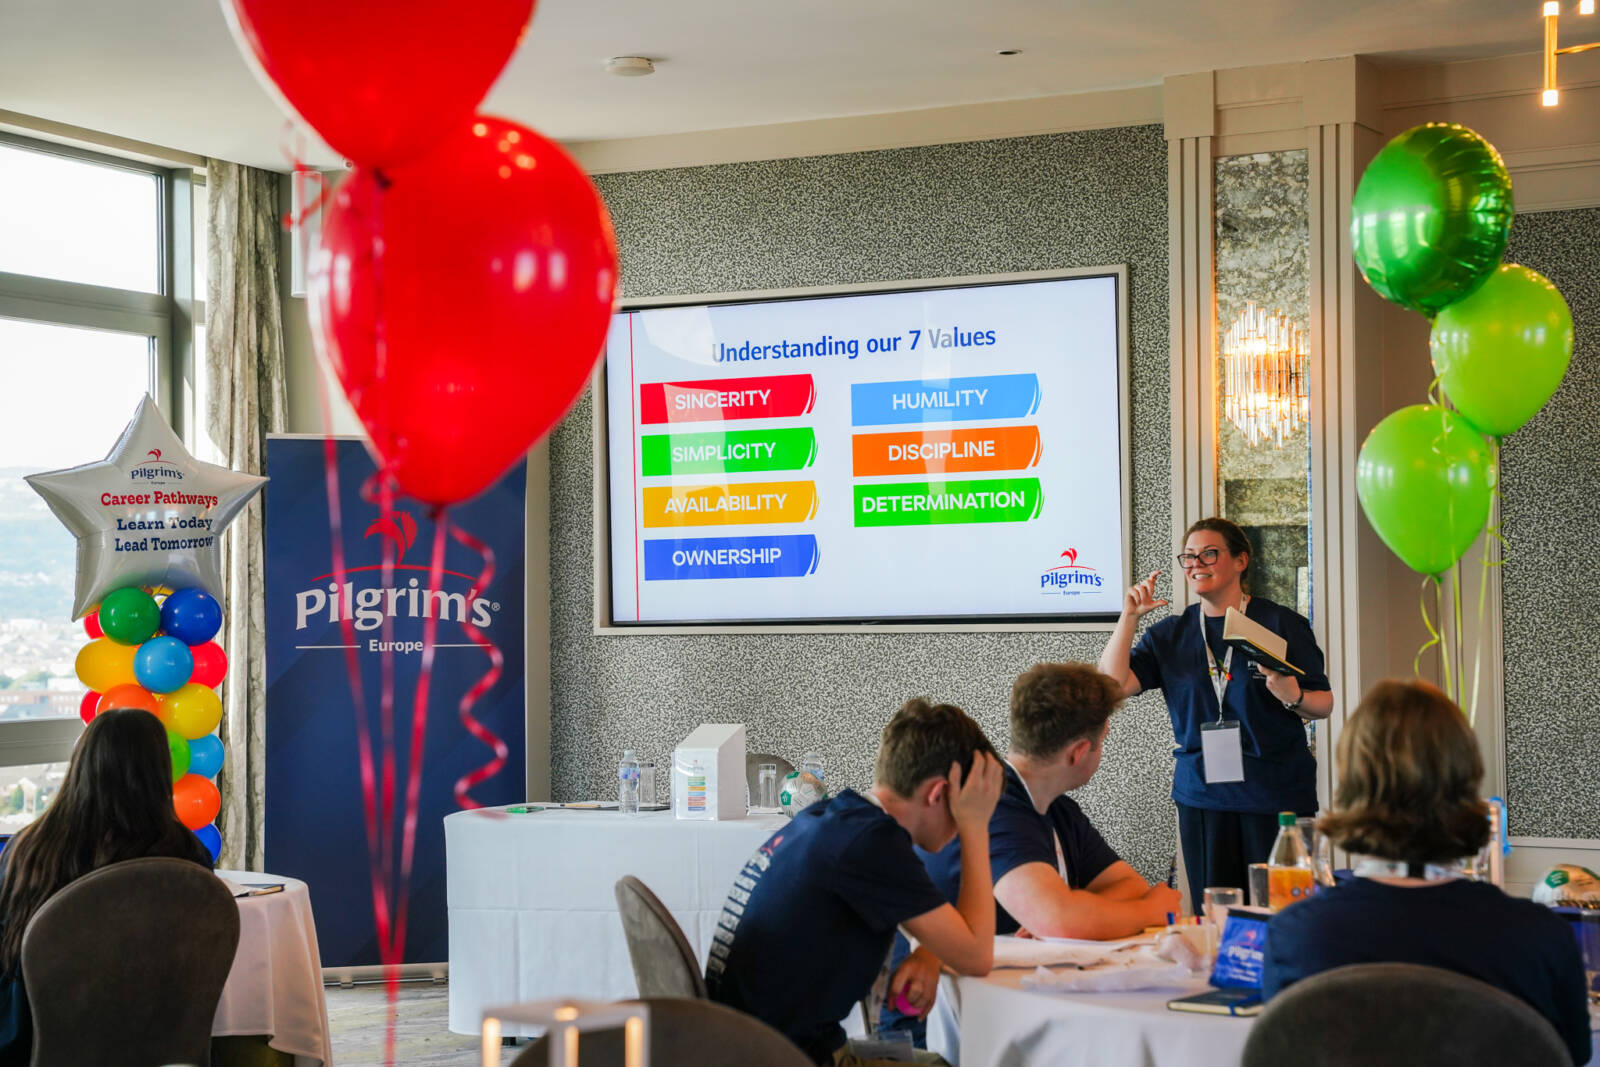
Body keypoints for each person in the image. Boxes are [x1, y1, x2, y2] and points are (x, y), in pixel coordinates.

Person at [1263, 680, 1590, 1066]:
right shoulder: (1540, 937)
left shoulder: (1296, 935)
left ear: (1350, 786)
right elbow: (1571, 1056)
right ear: (1466, 781)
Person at [705, 699, 1003, 1066]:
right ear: (938, 794)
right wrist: (976, 827)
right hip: (784, 1057)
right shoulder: (873, 844)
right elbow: (976, 957)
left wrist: (929, 953)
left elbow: (951, 937)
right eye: (966, 806)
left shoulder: (837, 819)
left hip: (737, 1044)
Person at [1098, 516, 1333, 906]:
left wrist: (1291, 695)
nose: (1196, 564)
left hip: (1274, 792)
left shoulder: (1279, 623)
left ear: (1241, 560)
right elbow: (1110, 687)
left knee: (1281, 909)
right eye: (1188, 557)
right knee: (1218, 912)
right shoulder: (1170, 635)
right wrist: (1129, 618)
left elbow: (1323, 704)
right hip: (1204, 795)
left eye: (1209, 554)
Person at [0, 708, 213, 1066]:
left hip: (34, 1036)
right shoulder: (186, 855)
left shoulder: (30, 849)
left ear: (81, 763)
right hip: (156, 1038)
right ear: (159, 771)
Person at [915, 663, 1180, 939]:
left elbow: (1129, 884)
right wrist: (1151, 910)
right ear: (1078, 753)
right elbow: (1060, 921)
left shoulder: (1058, 808)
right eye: (1102, 741)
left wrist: (1068, 911)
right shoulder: (991, 805)